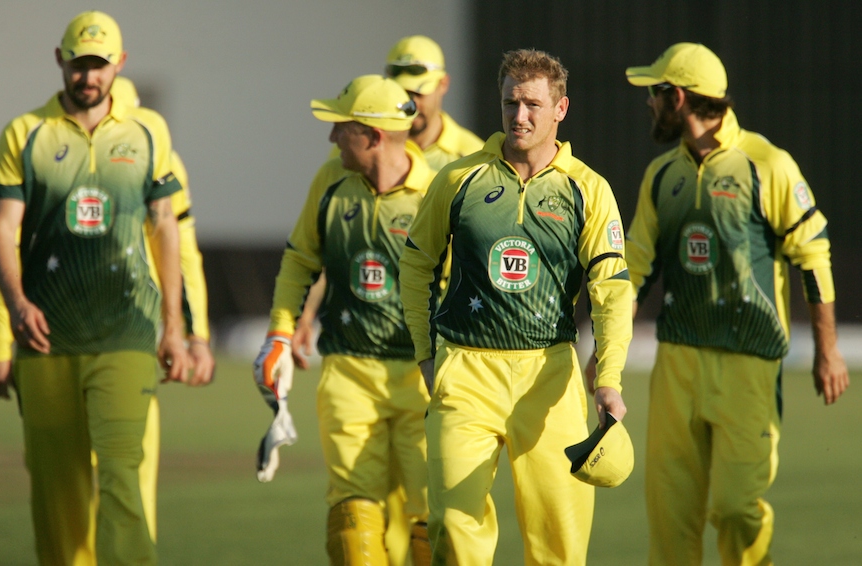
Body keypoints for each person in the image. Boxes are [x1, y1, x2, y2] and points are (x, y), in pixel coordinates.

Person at [0, 11, 198, 565]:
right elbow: (3, 229)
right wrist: (11, 317)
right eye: (78, 64)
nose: (88, 76)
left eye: (99, 65)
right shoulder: (25, 133)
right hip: (48, 341)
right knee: (59, 494)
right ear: (60, 61)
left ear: (119, 64)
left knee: (123, 474)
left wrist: (177, 330)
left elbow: (167, 228)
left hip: (127, 334)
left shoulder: (148, 131)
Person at [399, 49, 633, 565]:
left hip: (549, 376)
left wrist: (609, 377)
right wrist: (425, 355)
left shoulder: (588, 189)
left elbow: (612, 290)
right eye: (510, 103)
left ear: (560, 109)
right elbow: (415, 267)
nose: (519, 116)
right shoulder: (459, 179)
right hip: (464, 370)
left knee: (559, 546)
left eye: (531, 104)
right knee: (455, 537)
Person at [624, 43, 850, 565]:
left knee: (735, 510)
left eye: (655, 94)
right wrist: (608, 352)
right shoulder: (661, 175)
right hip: (677, 365)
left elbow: (812, 255)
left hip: (750, 363)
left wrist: (828, 351)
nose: (649, 104)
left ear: (678, 97)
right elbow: (635, 269)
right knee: (671, 519)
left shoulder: (766, 163)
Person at [254, 75, 435, 565]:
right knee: (352, 523)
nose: (332, 137)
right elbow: (299, 260)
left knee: (433, 525)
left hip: (426, 379)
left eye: (342, 127)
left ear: (373, 137)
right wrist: (279, 331)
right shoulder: (328, 181)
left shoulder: (438, 192)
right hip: (348, 371)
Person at [383, 35, 484, 172]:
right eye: (402, 93)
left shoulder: (474, 157)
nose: (411, 104)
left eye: (419, 93)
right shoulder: (372, 149)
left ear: (443, 84)